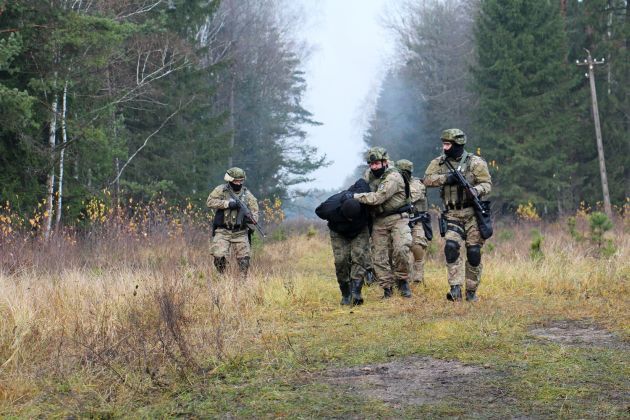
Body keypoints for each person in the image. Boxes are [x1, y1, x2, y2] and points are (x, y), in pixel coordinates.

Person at [423, 129, 492, 301]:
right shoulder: (439, 163)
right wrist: (446, 179)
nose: (444, 148)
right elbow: (427, 180)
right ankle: (455, 288)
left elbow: (487, 184)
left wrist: (475, 190)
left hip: (472, 214)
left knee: (474, 252)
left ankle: (471, 291)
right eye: (443, 144)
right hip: (452, 213)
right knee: (451, 248)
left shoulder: (475, 162)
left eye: (447, 144)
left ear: (457, 145)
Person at [352, 147, 413, 298]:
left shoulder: (393, 176)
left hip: (397, 217)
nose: (374, 167)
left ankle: (402, 280)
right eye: (371, 164)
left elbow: (378, 197)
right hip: (378, 219)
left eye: (377, 164)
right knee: (379, 256)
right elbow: (363, 185)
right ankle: (387, 288)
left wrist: (355, 197)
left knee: (401, 249)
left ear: (385, 162)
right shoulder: (370, 174)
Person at [315, 179, 372, 305]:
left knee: (359, 256)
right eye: (349, 218)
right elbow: (318, 211)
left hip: (360, 230)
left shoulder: (364, 199)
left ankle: (356, 292)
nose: (351, 220)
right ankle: (345, 293)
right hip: (338, 232)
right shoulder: (330, 207)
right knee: (341, 260)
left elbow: (362, 182)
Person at [206, 167, 259, 276]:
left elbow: (255, 212)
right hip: (223, 231)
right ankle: (223, 277)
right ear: (230, 180)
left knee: (244, 261)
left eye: (240, 181)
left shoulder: (247, 195)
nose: (238, 183)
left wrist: (250, 218)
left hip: (240, 232)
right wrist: (227, 204)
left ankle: (242, 283)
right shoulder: (221, 190)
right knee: (218, 256)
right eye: (236, 181)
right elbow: (210, 202)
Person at [396, 159, 431, 285]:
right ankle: (404, 278)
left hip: (417, 221)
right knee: (400, 250)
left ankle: (418, 279)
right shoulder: (394, 183)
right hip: (399, 221)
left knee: (417, 248)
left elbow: (409, 198)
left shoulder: (417, 184)